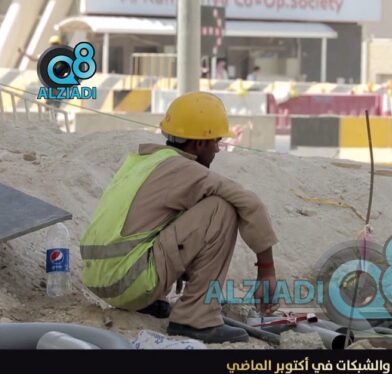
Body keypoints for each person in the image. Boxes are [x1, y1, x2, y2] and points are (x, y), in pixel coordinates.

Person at [80, 92, 279, 343]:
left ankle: (149, 302)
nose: (217, 148)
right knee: (221, 208)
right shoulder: (183, 169)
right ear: (199, 144)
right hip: (127, 281)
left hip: (101, 279)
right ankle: (196, 319)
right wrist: (266, 271)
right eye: (215, 141)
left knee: (186, 209)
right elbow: (250, 203)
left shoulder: (144, 162)